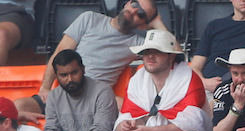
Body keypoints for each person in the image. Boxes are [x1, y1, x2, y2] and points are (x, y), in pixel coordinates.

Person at [31, 0, 164, 119]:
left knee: (130, 107)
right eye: (135, 4)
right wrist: (45, 87)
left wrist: (158, 23)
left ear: (142, 26)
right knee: (20, 106)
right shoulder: (89, 18)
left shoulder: (137, 43)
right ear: (127, 3)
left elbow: (174, 56)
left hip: (97, 99)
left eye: (140, 14)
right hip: (67, 91)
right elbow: (60, 53)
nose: (134, 10)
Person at [99, 31, 208, 131]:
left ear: (171, 56)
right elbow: (127, 115)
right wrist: (124, 126)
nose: (150, 56)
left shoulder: (189, 78)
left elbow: (192, 124)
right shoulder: (137, 80)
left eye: (157, 51)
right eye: (146, 52)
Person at [42, 50, 118, 131]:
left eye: (74, 72)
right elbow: (51, 128)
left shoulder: (102, 91)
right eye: (64, 75)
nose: (70, 79)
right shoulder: (54, 96)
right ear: (56, 76)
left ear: (83, 69)